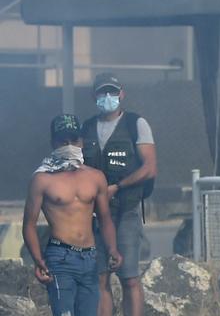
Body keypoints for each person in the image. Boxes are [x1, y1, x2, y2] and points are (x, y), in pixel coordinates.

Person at [22, 114, 122, 316]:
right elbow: (29, 225)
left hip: (90, 257)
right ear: (53, 143)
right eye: (63, 140)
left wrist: (113, 249)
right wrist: (38, 260)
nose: (69, 144)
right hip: (60, 257)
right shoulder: (42, 179)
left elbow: (104, 218)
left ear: (81, 141)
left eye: (73, 139)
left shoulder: (95, 177)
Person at [81, 73, 157, 316]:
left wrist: (118, 187)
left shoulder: (136, 124)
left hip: (126, 210)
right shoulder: (87, 127)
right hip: (95, 215)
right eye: (102, 92)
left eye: (112, 92)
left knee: (130, 277)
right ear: (94, 96)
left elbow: (149, 167)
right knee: (99, 277)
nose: (108, 97)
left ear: (122, 94)